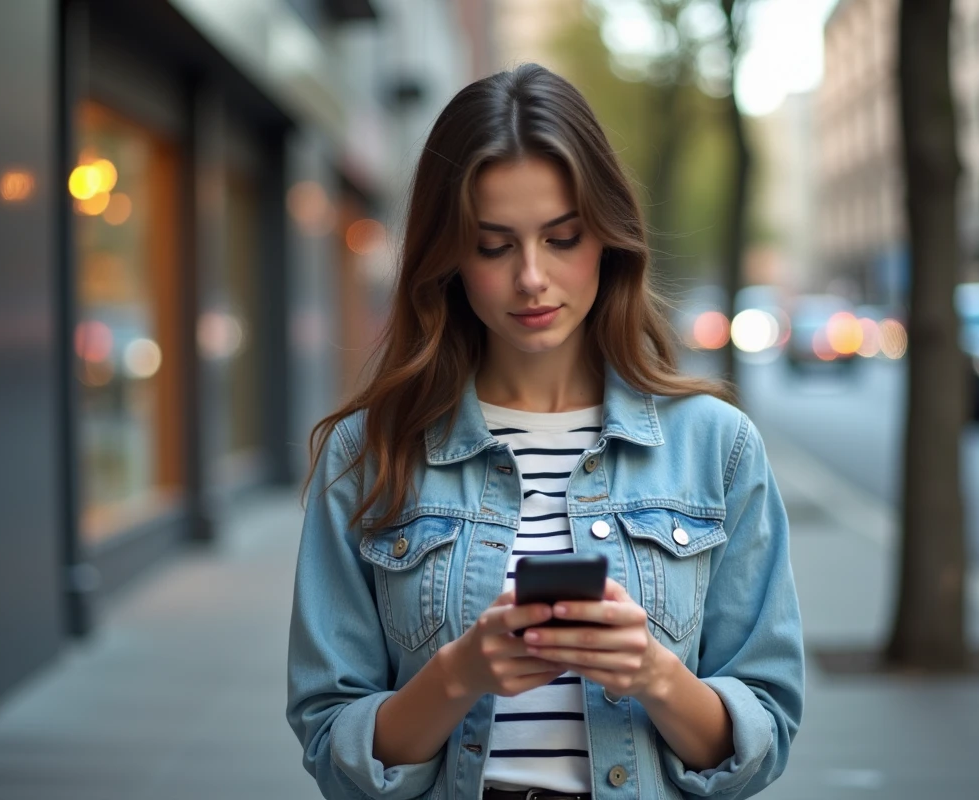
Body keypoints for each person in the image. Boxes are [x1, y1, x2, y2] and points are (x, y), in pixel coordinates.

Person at [287, 64, 804, 800]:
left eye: (562, 238)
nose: (532, 277)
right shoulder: (370, 453)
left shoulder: (716, 447)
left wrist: (653, 673)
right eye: (494, 246)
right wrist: (459, 675)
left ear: (608, 238)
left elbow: (764, 734)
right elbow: (331, 741)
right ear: (450, 258)